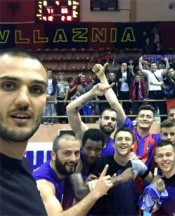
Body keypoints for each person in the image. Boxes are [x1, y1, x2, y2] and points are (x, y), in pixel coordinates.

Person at [0, 48, 48, 215]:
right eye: (8, 86)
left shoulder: (23, 167)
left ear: (45, 102)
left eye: (36, 90)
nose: (23, 100)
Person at [33, 134, 113, 216]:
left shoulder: (63, 170)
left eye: (76, 153)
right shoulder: (43, 183)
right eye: (67, 153)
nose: (73, 159)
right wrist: (96, 192)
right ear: (53, 155)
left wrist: (90, 185)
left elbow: (78, 195)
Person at [87, 127, 153, 215]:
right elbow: (88, 188)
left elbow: (154, 180)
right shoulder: (101, 162)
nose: (123, 142)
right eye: (119, 139)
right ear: (113, 144)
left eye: (127, 139)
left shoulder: (137, 165)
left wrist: (158, 179)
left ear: (133, 144)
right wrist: (120, 178)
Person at [66, 82, 117, 156]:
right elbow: (70, 110)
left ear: (116, 124)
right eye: (106, 118)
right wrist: (92, 93)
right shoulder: (86, 135)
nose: (109, 121)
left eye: (113, 119)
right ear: (99, 121)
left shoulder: (117, 145)